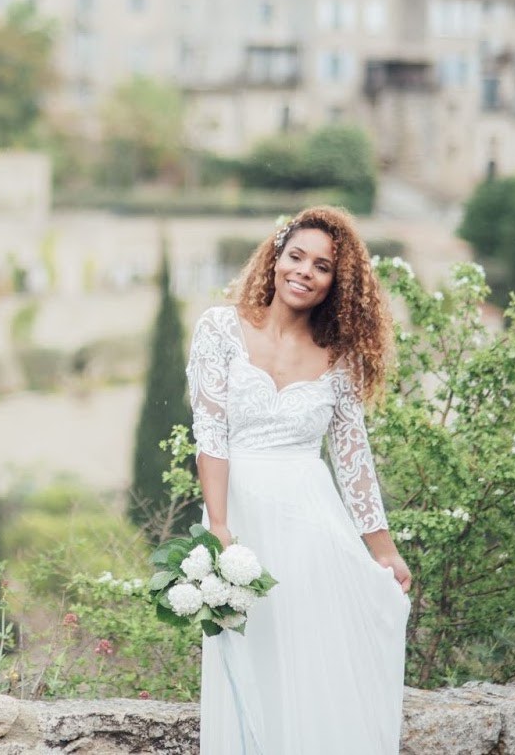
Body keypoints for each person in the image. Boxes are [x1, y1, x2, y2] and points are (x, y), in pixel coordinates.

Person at [186, 206, 410, 754]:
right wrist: (218, 526)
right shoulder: (219, 328)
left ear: (338, 283)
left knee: (313, 661)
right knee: (249, 657)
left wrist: (383, 550)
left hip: (313, 524)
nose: (305, 272)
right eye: (297, 257)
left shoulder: (341, 359)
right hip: (243, 522)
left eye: (323, 266)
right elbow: (211, 436)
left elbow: (353, 457)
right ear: (276, 257)